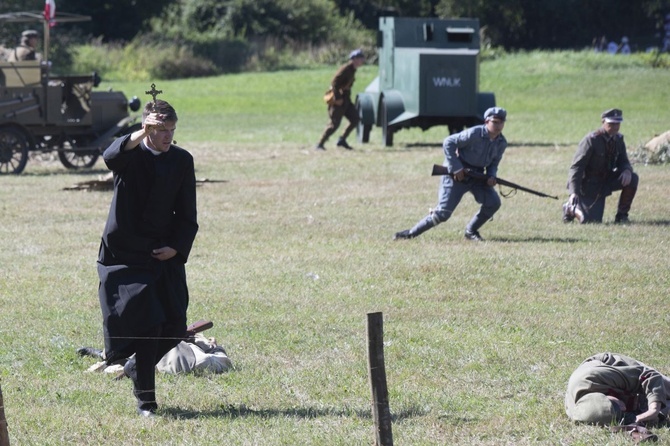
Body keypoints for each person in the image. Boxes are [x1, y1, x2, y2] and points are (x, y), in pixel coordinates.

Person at [97, 98, 199, 417]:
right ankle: (147, 403)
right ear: (147, 129)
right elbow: (109, 155)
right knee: (148, 322)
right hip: (124, 254)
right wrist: (140, 134)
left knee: (175, 324)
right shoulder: (130, 156)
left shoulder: (182, 161)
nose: (167, 136)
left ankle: (136, 366)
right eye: (161, 130)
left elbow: (187, 214)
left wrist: (177, 248)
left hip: (163, 253)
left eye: (171, 130)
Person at [394, 107, 508, 242]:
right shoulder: (474, 133)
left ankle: (471, 231)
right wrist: (456, 168)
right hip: (456, 176)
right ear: (486, 121)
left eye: (501, 122)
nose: (498, 126)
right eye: (495, 122)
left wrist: (491, 176)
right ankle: (410, 233)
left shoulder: (501, 143)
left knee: (493, 202)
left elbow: (493, 164)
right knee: (443, 213)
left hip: (477, 176)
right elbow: (449, 142)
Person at [563, 108, 638, 224]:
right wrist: (573, 192)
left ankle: (622, 216)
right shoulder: (591, 140)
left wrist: (627, 170)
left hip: (605, 181)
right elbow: (576, 167)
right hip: (588, 185)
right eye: (611, 123)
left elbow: (623, 161)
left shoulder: (618, 139)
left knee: (632, 178)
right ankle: (570, 208)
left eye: (618, 123)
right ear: (603, 122)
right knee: (590, 221)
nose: (615, 126)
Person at [565, 352, 670, 425]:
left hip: (613, 367)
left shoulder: (596, 377)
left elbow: (648, 376)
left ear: (603, 396)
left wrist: (654, 409)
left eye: (615, 404)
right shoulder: (581, 413)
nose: (623, 408)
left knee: (663, 387)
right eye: (617, 409)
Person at [315, 49, 365, 151]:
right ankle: (320, 143)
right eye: (360, 58)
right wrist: (337, 98)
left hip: (346, 99)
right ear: (354, 59)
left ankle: (342, 140)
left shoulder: (353, 70)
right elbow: (334, 83)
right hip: (339, 100)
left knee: (355, 119)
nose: (362, 60)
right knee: (334, 124)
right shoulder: (346, 69)